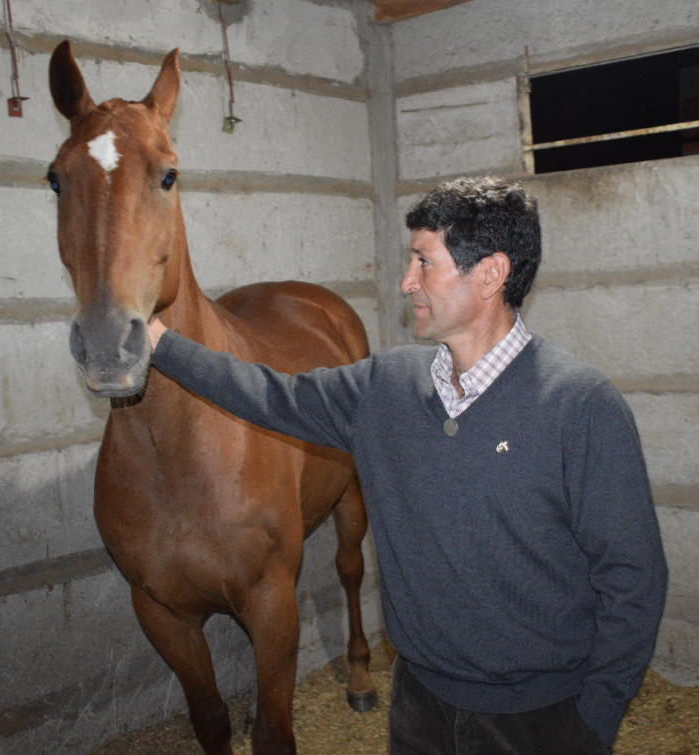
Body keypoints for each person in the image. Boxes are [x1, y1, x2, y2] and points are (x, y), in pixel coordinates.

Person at [147, 176, 668, 754]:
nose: (406, 282)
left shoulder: (580, 405)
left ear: (491, 275)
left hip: (540, 721)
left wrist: (594, 718)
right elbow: (267, 393)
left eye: (424, 262)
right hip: (420, 709)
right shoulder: (385, 388)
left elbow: (633, 578)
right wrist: (160, 344)